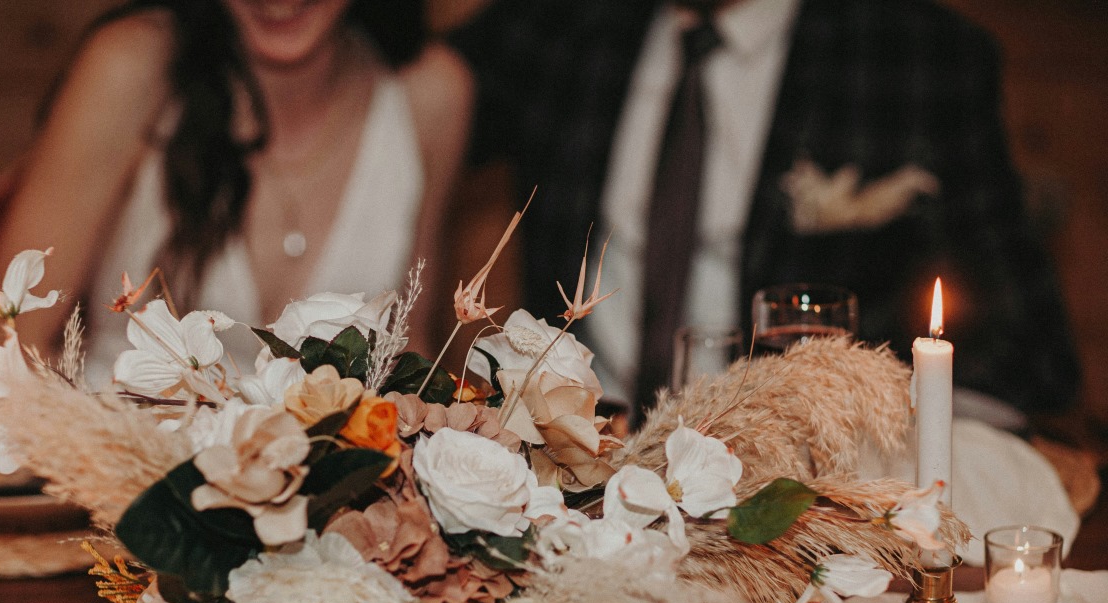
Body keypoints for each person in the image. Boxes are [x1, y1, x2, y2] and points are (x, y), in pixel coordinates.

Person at [449, 0, 1081, 418]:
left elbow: (1030, 354)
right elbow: (387, 65)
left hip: (794, 503)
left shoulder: (918, 55)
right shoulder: (558, 31)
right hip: (575, 467)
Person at [0, 0, 472, 385]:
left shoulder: (432, 94)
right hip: (112, 474)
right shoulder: (131, 65)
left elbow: (408, 349)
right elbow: (5, 346)